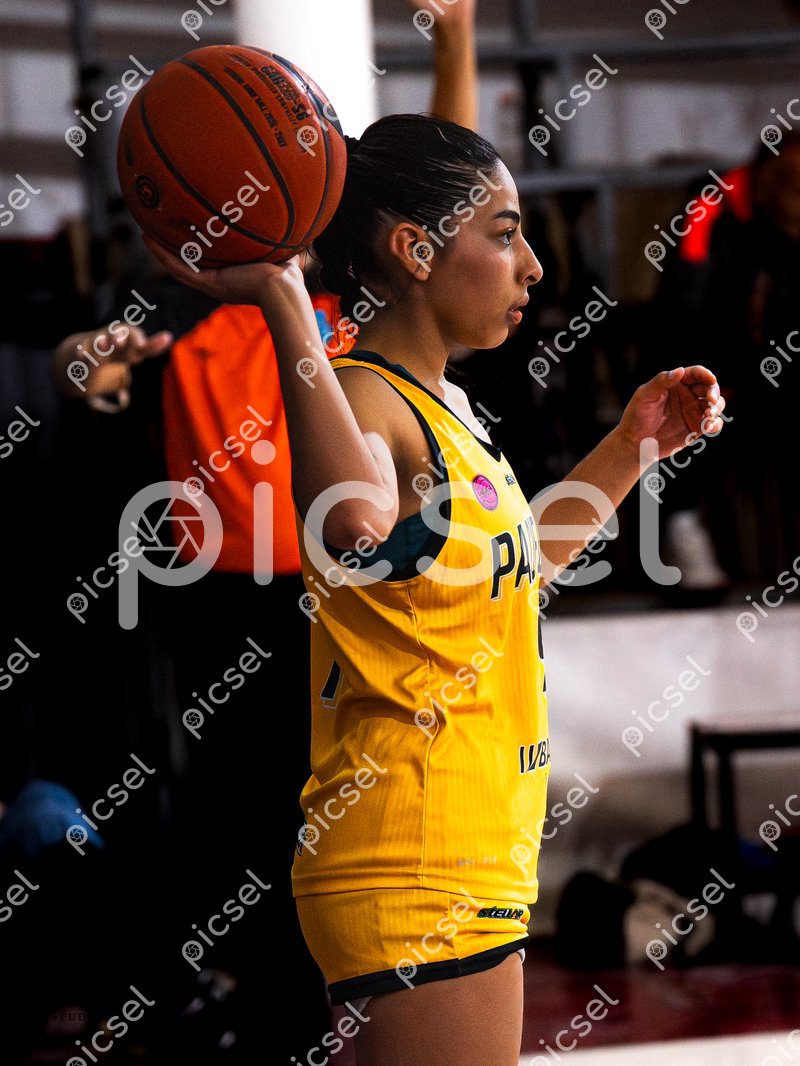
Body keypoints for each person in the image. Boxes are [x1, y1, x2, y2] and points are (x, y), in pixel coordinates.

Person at [144, 108, 725, 1065]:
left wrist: (631, 448)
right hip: (416, 853)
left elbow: (523, 564)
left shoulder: (441, 405)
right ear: (415, 251)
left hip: (464, 847)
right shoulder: (364, 396)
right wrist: (284, 300)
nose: (533, 266)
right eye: (504, 234)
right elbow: (353, 524)